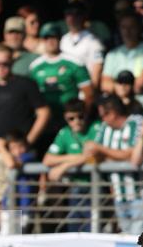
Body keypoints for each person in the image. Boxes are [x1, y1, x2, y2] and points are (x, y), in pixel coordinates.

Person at [0, 47, 49, 204]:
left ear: (12, 63)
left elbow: (44, 113)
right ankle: (7, 229)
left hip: (19, 153)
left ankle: (22, 227)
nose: (1, 68)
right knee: (1, 199)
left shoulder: (26, 84)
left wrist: (28, 141)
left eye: (5, 63)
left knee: (23, 198)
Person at [84, 95, 143, 234]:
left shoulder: (136, 122)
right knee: (126, 236)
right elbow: (93, 153)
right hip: (118, 195)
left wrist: (104, 151)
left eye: (103, 115)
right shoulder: (104, 128)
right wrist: (109, 153)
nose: (102, 119)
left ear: (112, 113)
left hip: (138, 194)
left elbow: (132, 154)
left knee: (139, 238)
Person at [43, 98, 101, 231]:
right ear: (65, 118)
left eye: (80, 117)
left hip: (96, 187)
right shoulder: (64, 133)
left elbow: (93, 157)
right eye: (71, 118)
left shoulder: (96, 128)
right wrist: (75, 157)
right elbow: (48, 159)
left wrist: (64, 166)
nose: (76, 122)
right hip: (74, 189)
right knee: (74, 228)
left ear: (85, 115)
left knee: (93, 228)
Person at [29, 25, 93, 139]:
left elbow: (89, 94)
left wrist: (81, 119)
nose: (50, 41)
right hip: (46, 122)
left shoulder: (75, 63)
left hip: (70, 121)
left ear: (60, 39)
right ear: (42, 40)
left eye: (54, 37)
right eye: (46, 38)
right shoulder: (35, 66)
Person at [102, 12, 143, 94]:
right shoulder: (112, 54)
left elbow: (140, 86)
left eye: (132, 27)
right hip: (116, 103)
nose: (127, 31)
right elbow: (105, 85)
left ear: (139, 28)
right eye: (124, 27)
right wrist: (122, 90)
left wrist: (118, 88)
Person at [60, 1, 104, 90]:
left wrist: (90, 94)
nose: (72, 17)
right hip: (66, 90)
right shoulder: (63, 40)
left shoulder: (93, 41)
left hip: (84, 91)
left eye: (77, 14)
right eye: (69, 13)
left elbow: (97, 69)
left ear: (84, 16)